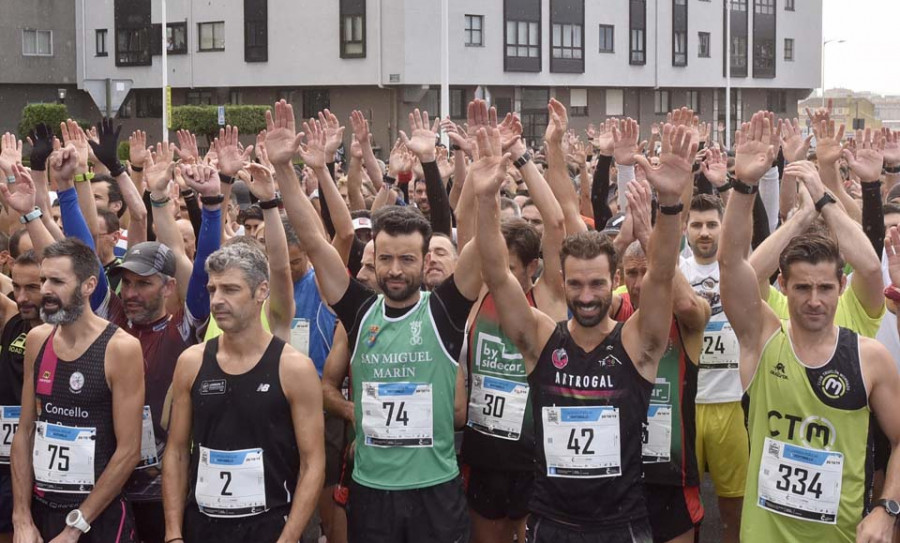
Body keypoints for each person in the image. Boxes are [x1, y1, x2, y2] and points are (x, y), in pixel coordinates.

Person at [268, 100, 481, 543]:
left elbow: (482, 244)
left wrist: (483, 170)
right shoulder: (360, 310)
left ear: (427, 262)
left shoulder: (444, 310)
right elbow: (312, 240)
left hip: (435, 492)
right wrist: (284, 170)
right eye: (386, 259)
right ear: (374, 260)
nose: (396, 270)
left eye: (408, 259)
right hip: (372, 492)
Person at [475, 119, 696, 542]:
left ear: (612, 279)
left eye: (597, 283)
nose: (587, 295)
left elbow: (662, 276)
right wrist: (485, 200)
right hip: (552, 523)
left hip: (621, 525)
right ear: (562, 279)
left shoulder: (635, 344)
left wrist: (669, 204)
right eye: (575, 284)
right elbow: (498, 276)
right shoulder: (542, 339)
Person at [718, 112, 900, 542]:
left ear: (842, 285)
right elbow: (734, 268)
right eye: (801, 288)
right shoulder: (763, 337)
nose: (814, 301)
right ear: (784, 285)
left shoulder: (869, 356)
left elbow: (871, 266)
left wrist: (887, 508)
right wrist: (744, 189)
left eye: (824, 288)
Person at [162, 242, 325, 542]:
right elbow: (176, 452)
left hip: (270, 525)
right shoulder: (191, 362)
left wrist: (288, 538)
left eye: (230, 289)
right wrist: (173, 533)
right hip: (203, 525)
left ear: (261, 291)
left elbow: (313, 462)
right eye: (213, 290)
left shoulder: (294, 369)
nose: (217, 300)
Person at [10, 238, 145, 542]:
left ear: (88, 285)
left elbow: (129, 450)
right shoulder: (38, 340)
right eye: (43, 279)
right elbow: (25, 432)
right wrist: (21, 516)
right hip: (43, 509)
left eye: (57, 281)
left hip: (98, 516)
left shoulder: (120, 347)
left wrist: (75, 528)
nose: (45, 289)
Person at [614, 179, 709, 543]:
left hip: (671, 477)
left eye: (647, 272)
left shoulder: (688, 319)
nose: (640, 283)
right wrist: (622, 240)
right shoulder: (614, 311)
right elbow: (578, 286)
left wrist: (650, 235)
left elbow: (685, 304)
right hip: (620, 473)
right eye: (632, 273)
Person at [680, 194, 747, 543]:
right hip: (687, 405)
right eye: (697, 225)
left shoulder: (738, 268)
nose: (704, 232)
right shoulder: (677, 270)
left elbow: (754, 224)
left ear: (723, 227)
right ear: (685, 229)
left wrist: (738, 185)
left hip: (731, 402)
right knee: (682, 507)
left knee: (733, 508)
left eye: (711, 225)